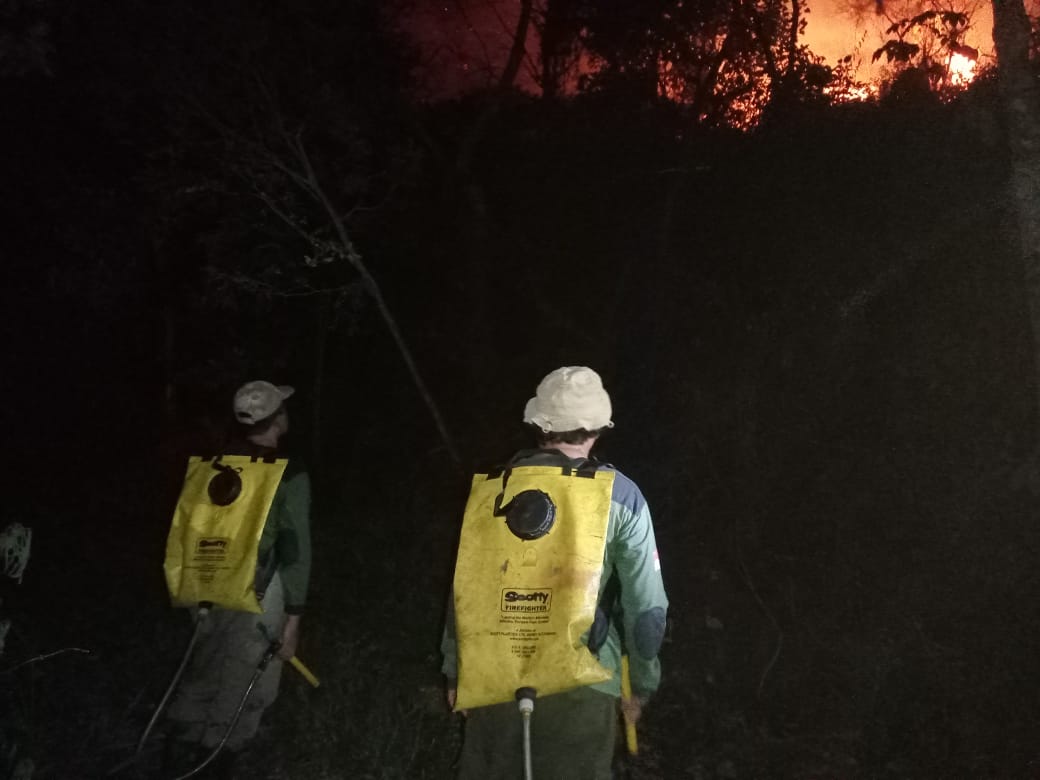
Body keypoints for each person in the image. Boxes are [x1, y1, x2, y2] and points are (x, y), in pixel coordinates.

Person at [441, 366, 669, 779]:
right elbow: (646, 608)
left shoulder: (493, 489)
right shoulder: (622, 496)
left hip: (496, 674)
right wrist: (641, 682)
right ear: (598, 428)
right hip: (583, 684)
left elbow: (466, 587)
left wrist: (458, 669)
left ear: (538, 425)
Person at [163, 380, 312, 775]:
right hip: (259, 586)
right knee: (250, 675)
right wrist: (293, 619)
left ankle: (180, 745)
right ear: (277, 418)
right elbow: (296, 551)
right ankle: (218, 756)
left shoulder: (213, 465)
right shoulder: (287, 472)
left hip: (207, 582)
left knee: (205, 662)